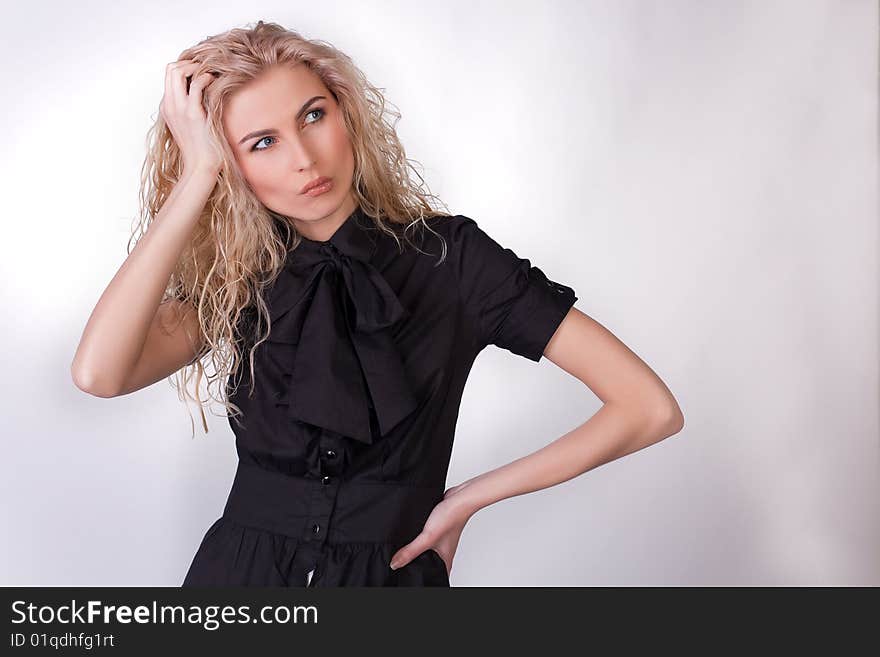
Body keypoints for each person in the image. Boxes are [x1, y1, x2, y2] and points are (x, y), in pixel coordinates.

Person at [71, 20, 684, 587]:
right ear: (232, 164)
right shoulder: (238, 275)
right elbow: (100, 374)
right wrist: (197, 175)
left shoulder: (454, 259)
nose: (303, 158)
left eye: (313, 115)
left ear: (346, 113)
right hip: (238, 580)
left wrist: (468, 498)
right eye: (261, 143)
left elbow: (648, 408)